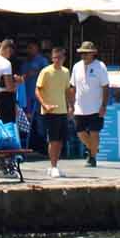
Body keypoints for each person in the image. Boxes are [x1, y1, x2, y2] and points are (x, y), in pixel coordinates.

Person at [34, 46, 73, 178]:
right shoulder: (45, 71)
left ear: (64, 59)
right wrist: (44, 104)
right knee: (53, 140)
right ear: (52, 58)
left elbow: (67, 90)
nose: (58, 60)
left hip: (62, 109)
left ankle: (55, 165)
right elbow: (37, 90)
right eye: (55, 58)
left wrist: (71, 106)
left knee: (61, 140)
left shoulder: (66, 72)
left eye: (60, 58)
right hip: (50, 111)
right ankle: (53, 166)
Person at [70, 40, 110, 168]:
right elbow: (73, 87)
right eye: (82, 53)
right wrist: (71, 104)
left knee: (94, 132)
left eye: (86, 53)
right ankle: (92, 148)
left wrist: (103, 105)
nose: (84, 56)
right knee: (80, 131)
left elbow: (105, 87)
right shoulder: (76, 66)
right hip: (80, 106)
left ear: (93, 54)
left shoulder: (100, 66)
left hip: (95, 106)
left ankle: (92, 157)